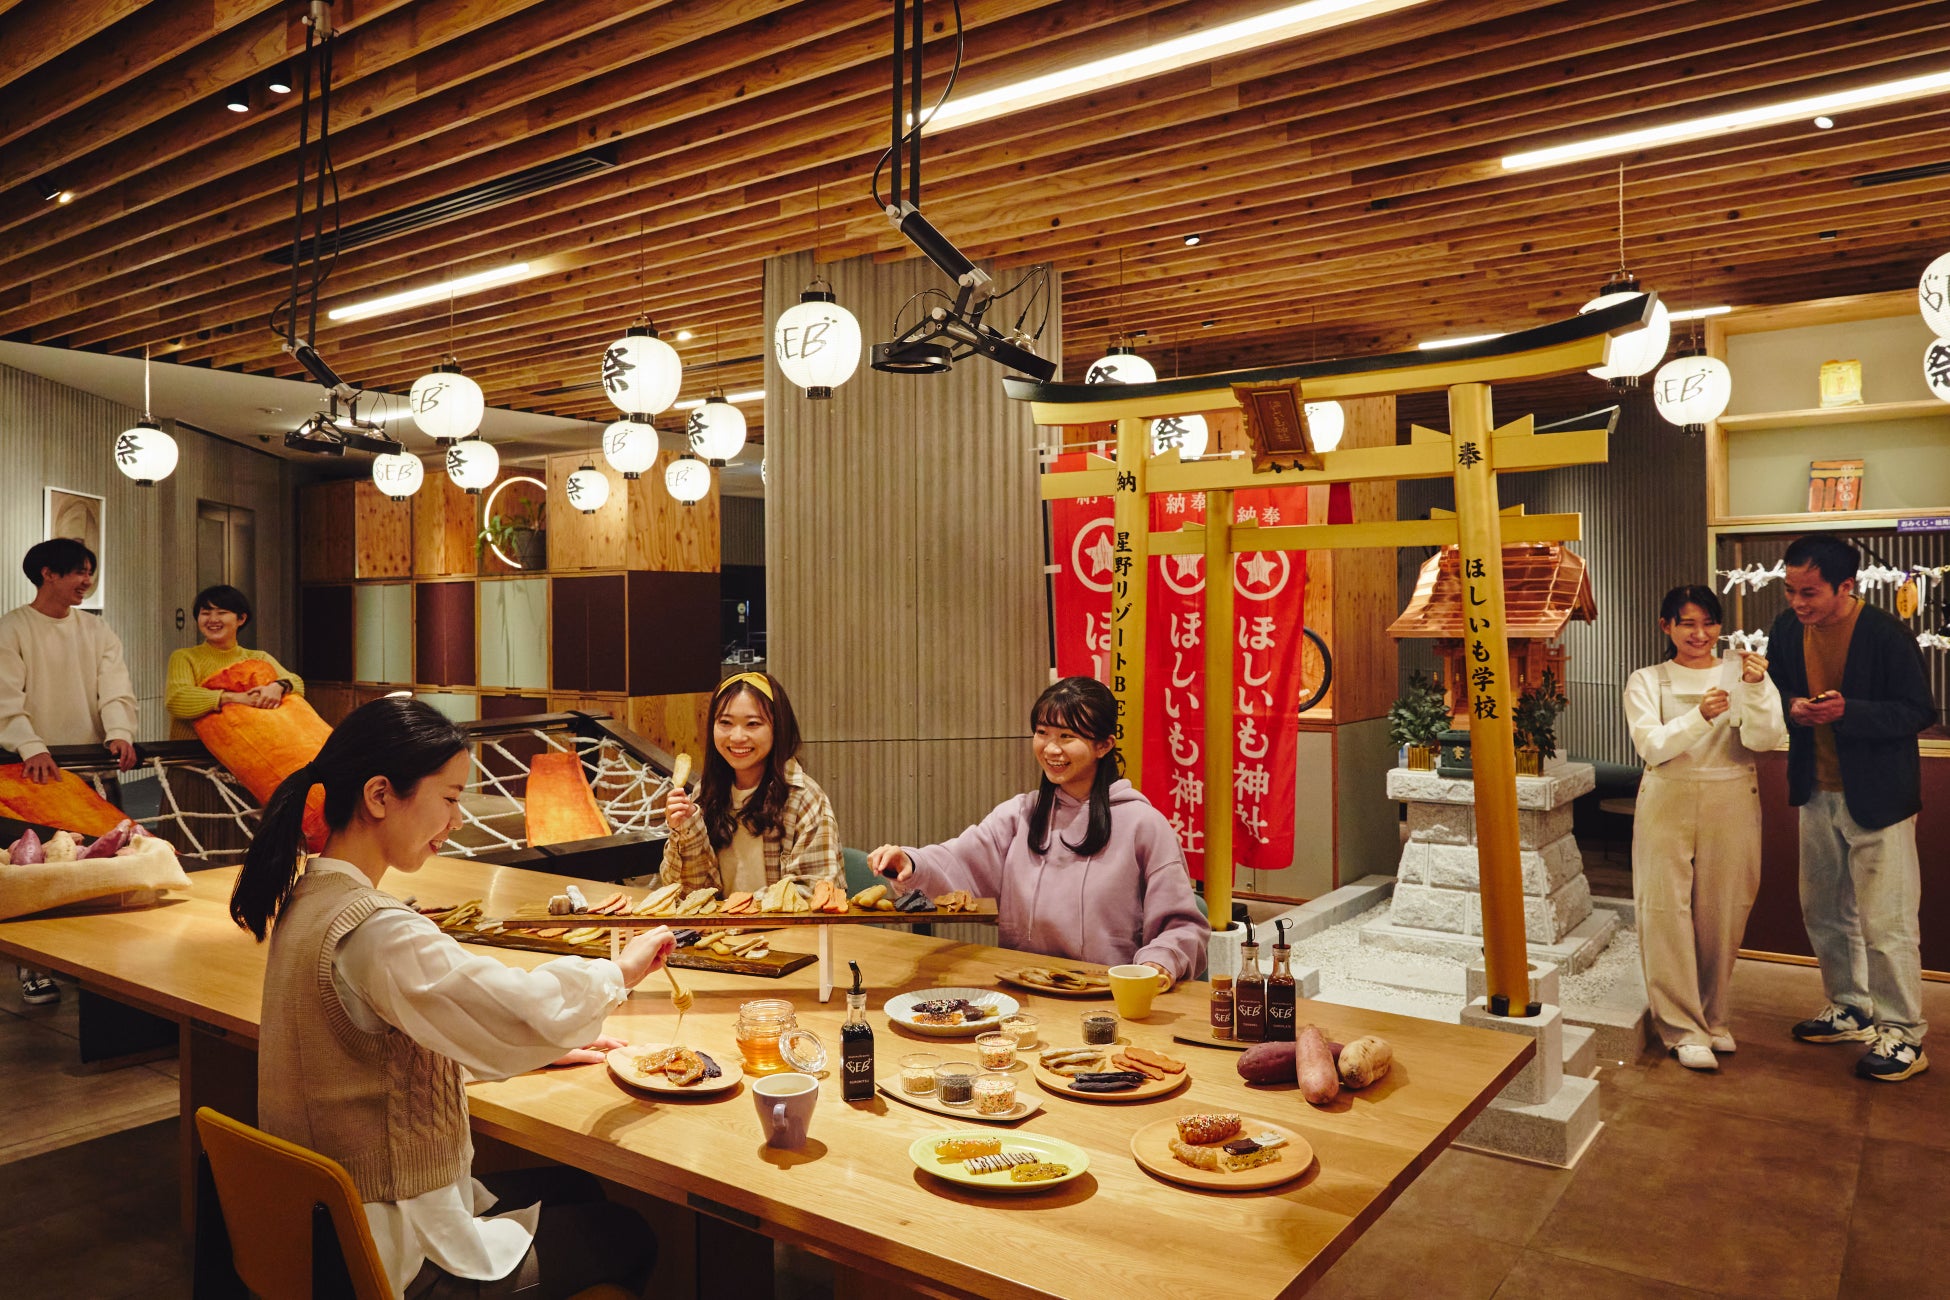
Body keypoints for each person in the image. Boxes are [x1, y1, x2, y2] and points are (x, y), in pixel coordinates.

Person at [229, 697, 669, 1298]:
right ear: (379, 796)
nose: (458, 820)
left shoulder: (308, 898)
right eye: (451, 798)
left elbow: (379, 1049)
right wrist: (619, 973)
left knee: (578, 1188)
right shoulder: (375, 930)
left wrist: (530, 1045)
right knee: (627, 1233)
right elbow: (515, 1007)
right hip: (380, 1249)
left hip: (317, 1227)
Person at [868, 676, 1207, 987]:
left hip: (1107, 997)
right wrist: (911, 862)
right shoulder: (1022, 814)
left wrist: (1160, 963)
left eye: (1067, 736)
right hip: (1024, 988)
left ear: (1104, 746)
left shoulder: (1143, 824)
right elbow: (957, 861)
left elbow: (1182, 926)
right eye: (1043, 732)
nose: (1051, 749)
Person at [1766, 536, 1936, 1082]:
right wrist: (1791, 706)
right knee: (1822, 910)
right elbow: (1772, 693)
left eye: (1809, 592)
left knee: (1887, 922)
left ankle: (1904, 1034)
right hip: (1814, 790)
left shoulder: (1885, 633)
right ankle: (1850, 1007)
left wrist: (1849, 711)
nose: (1797, 602)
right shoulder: (1786, 630)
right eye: (1790, 590)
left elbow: (1919, 711)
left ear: (1846, 586)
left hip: (1880, 798)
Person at [1623, 585, 1784, 1071]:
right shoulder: (1647, 680)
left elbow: (1766, 738)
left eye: (1709, 623)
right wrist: (1700, 715)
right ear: (1666, 626)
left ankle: (1713, 1019)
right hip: (1667, 796)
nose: (1700, 634)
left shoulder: (1743, 672)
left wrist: (1757, 688)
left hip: (1732, 794)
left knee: (1724, 908)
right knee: (1664, 909)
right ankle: (1680, 1028)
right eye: (1687, 623)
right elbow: (1652, 747)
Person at [0, 538, 138, 1007]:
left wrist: (119, 731)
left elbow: (115, 687)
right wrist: (31, 745)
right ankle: (34, 966)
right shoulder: (13, 628)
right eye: (78, 571)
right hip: (32, 772)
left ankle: (95, 960)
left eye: (89, 572)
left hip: (91, 770)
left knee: (100, 862)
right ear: (47, 574)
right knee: (35, 869)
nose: (86, 581)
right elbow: (6, 697)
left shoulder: (96, 630)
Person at [660, 671, 839, 892]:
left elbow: (815, 891)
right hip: (719, 917)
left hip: (777, 917)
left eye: (752, 724)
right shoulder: (705, 793)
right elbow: (685, 892)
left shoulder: (804, 798)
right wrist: (686, 830)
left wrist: (745, 907)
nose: (737, 737)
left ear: (778, 728)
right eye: (725, 722)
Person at [163, 584, 304, 739]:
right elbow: (177, 698)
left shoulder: (258, 658)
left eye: (222, 613)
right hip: (191, 749)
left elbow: (297, 683)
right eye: (205, 613)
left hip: (243, 747)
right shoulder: (184, 657)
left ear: (241, 619)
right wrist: (235, 698)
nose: (213, 619)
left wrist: (277, 687)